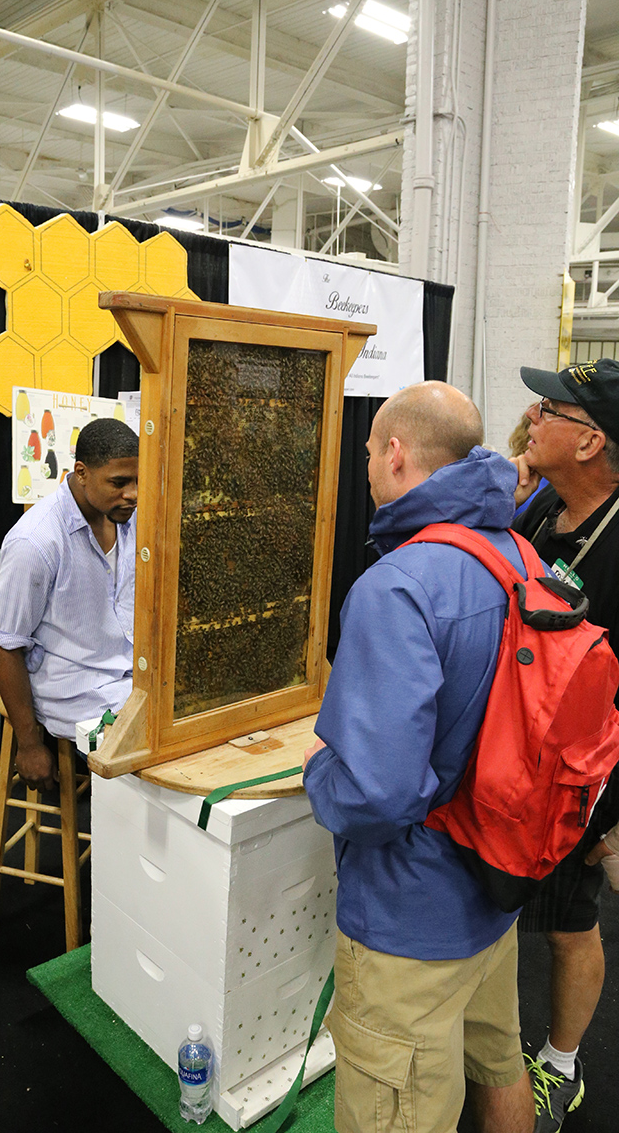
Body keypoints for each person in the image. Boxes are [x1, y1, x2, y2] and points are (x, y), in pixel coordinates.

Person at [303, 381, 535, 1133]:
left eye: (371, 452)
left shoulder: (397, 584)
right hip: (495, 893)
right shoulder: (517, 553)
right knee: (500, 1066)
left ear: (396, 454)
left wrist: (318, 768)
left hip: (410, 921)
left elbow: (376, 796)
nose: (368, 466)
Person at [511, 359, 619, 1132]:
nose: (531, 416)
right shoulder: (544, 503)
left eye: (547, 408)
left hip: (582, 780)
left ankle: (561, 1065)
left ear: (590, 443)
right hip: (515, 759)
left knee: (568, 924)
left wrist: (608, 812)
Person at [0, 417, 139, 793]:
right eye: (119, 483)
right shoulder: (36, 542)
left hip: (132, 679)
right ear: (82, 473)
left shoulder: (130, 519)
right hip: (74, 692)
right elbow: (5, 644)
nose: (132, 494)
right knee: (148, 769)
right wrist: (30, 743)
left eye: (138, 480)